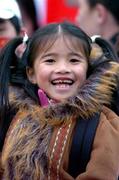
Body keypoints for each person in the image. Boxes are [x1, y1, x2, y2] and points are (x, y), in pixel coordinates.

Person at [0, 22, 119, 179]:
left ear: (87, 70)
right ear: (31, 74)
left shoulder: (103, 123)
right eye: (50, 61)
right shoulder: (12, 116)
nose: (63, 68)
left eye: (74, 60)